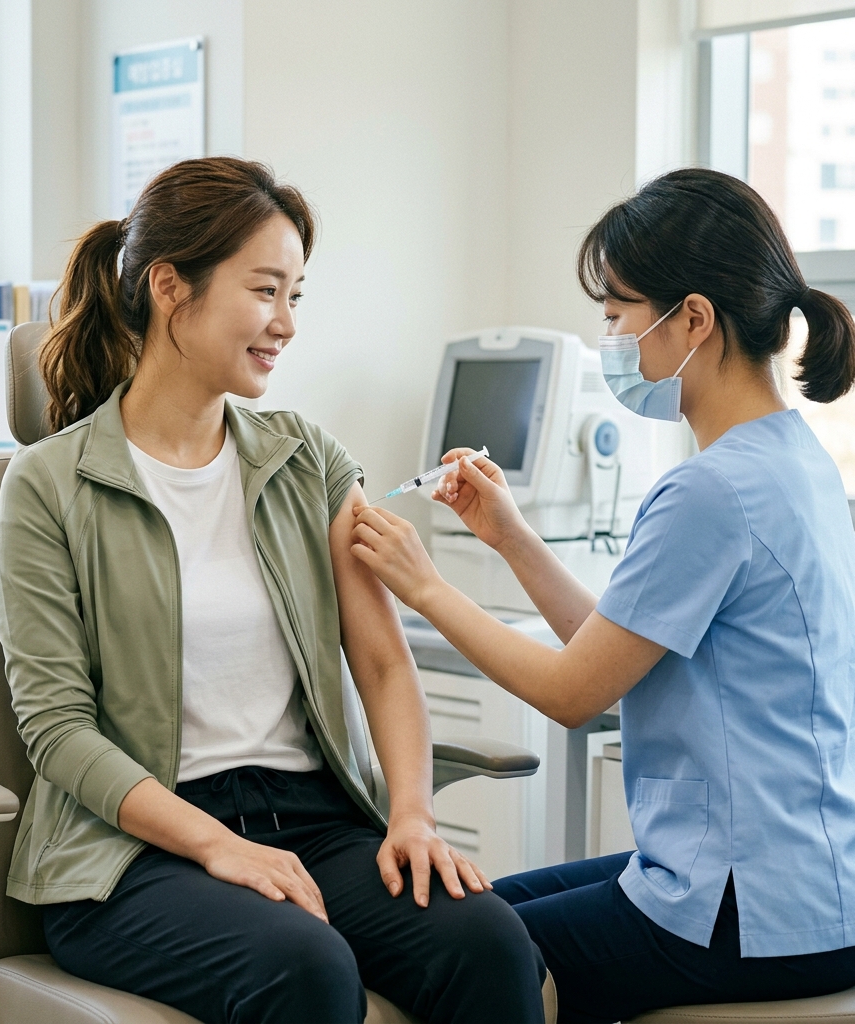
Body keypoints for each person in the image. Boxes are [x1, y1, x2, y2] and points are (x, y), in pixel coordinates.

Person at [0, 156, 546, 1024]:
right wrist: (217, 847)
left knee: (489, 940)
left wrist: (411, 815)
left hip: (313, 819)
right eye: (265, 291)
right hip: (134, 852)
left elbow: (382, 663)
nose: (285, 323)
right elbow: (58, 731)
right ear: (171, 287)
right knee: (305, 968)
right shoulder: (47, 486)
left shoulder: (307, 460)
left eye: (297, 295)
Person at [350, 167, 855, 1023]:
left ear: (692, 319)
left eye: (618, 315)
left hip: (746, 910)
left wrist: (424, 586)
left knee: (462, 952)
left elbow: (573, 693)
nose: (611, 341)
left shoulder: (709, 492)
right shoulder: (794, 463)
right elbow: (611, 647)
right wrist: (511, 536)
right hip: (811, 884)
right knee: (490, 914)